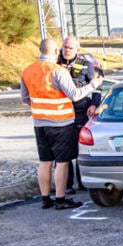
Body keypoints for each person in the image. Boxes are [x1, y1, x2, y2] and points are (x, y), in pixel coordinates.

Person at [20, 38, 103, 210]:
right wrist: (94, 84)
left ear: (40, 50)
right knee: (62, 162)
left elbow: (25, 98)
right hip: (60, 123)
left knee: (45, 162)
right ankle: (60, 199)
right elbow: (74, 95)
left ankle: (45, 199)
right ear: (56, 50)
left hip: (39, 123)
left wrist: (41, 107)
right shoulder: (58, 71)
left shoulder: (28, 70)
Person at [57, 35, 103, 193]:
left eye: (70, 48)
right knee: (63, 151)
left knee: (80, 149)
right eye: (65, 47)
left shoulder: (86, 65)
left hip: (80, 112)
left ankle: (83, 182)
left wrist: (94, 104)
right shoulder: (55, 64)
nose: (67, 50)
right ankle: (66, 184)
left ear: (77, 50)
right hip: (60, 113)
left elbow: (97, 86)